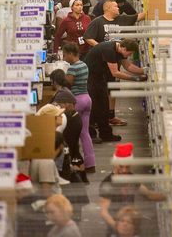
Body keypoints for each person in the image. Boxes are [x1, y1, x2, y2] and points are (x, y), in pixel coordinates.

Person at [84, 40, 143, 142]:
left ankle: (106, 134)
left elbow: (128, 66)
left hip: (99, 76)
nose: (129, 55)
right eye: (129, 53)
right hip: (89, 76)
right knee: (94, 106)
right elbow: (115, 73)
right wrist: (134, 79)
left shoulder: (120, 49)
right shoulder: (109, 50)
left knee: (104, 105)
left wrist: (144, 71)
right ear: (124, 49)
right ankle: (91, 135)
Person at [99, 143, 164, 231]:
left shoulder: (131, 178)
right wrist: (117, 226)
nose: (124, 170)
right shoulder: (108, 183)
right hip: (116, 226)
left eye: (127, 167)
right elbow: (103, 211)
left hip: (131, 225)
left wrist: (169, 194)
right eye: (121, 167)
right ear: (115, 164)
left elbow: (148, 195)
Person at [62, 43, 95, 172]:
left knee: (71, 135)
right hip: (87, 99)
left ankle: (74, 162)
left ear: (71, 54)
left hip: (77, 101)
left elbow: (67, 85)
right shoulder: (84, 64)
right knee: (85, 133)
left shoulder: (72, 68)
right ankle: (90, 163)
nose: (64, 58)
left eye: (65, 55)